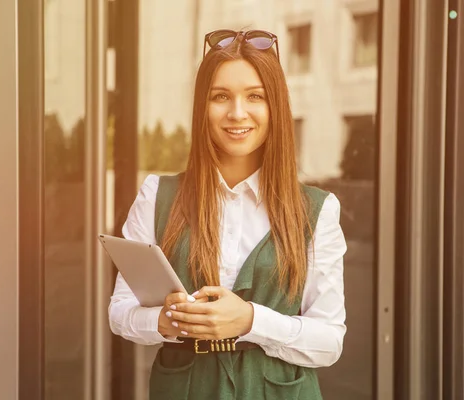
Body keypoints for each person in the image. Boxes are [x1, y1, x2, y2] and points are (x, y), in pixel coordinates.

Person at [109, 29, 347, 400]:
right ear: (202, 106)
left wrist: (251, 321)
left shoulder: (317, 210)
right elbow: (120, 313)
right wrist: (166, 320)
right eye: (221, 97)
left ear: (276, 107)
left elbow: (329, 341)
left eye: (255, 96)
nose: (237, 113)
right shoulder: (158, 196)